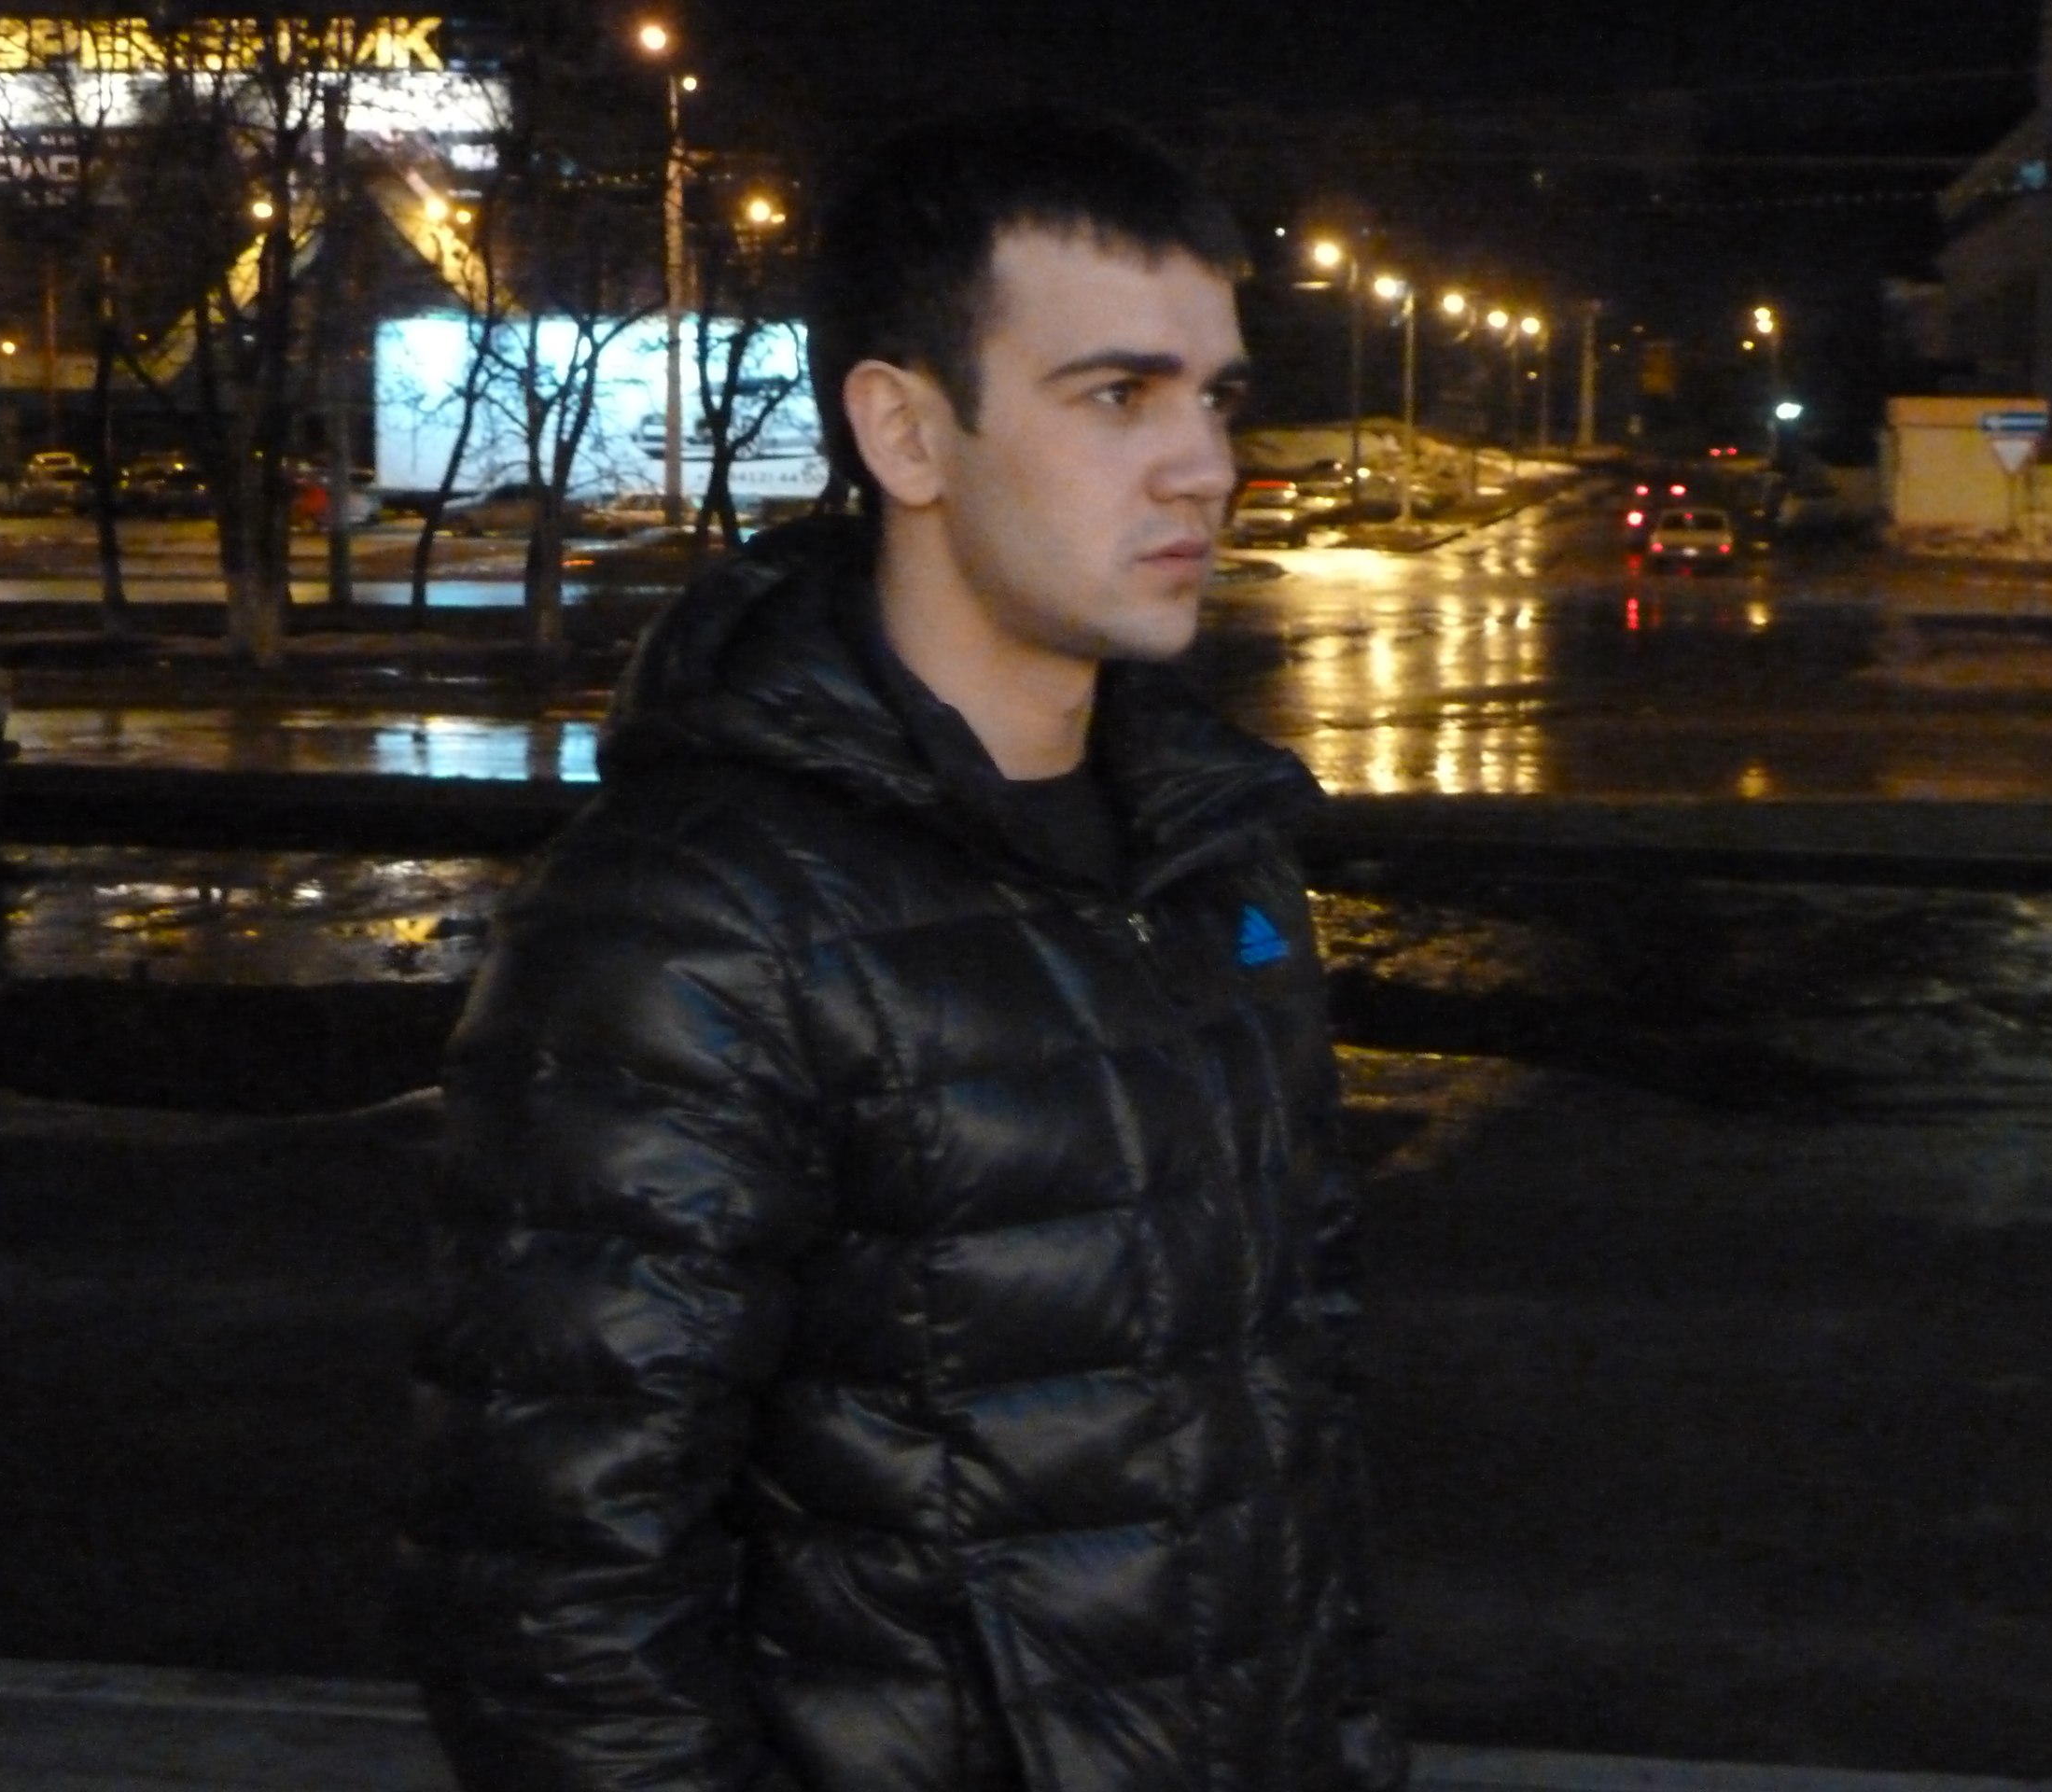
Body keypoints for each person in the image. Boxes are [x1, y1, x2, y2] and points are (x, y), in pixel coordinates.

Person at [403, 104, 1405, 1792]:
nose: (1205, 466)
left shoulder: (1211, 863)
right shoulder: (697, 926)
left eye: (1216, 396)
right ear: (907, 433)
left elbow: (1295, 1442)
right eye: (1118, 395)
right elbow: (555, 1609)